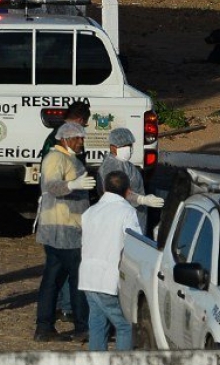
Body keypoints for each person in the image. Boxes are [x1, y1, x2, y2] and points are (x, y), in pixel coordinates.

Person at [33, 121, 95, 342]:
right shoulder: (56, 158)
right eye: (78, 139)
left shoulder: (67, 158)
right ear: (67, 139)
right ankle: (82, 326)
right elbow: (51, 185)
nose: (81, 143)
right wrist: (73, 185)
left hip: (64, 227)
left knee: (53, 279)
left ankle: (45, 326)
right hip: (64, 227)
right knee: (76, 280)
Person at [79, 170, 140, 352]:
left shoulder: (90, 211)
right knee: (125, 326)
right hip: (109, 279)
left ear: (104, 188)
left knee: (97, 325)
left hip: (88, 278)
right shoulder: (127, 212)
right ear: (128, 191)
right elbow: (134, 244)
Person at [97, 127, 164, 233]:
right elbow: (117, 192)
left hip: (134, 215)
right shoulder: (110, 166)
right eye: (125, 146)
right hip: (120, 219)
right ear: (113, 147)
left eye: (130, 145)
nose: (129, 149)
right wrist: (142, 199)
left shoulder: (126, 164)